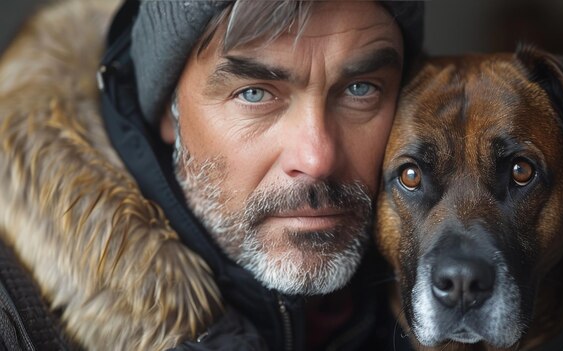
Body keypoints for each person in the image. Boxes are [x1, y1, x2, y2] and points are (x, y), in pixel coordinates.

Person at [0, 0, 423, 349]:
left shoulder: (449, 294)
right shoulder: (14, 321)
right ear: (169, 108)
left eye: (360, 89)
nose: (317, 158)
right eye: (254, 93)